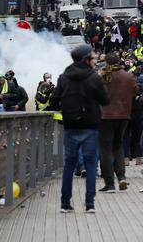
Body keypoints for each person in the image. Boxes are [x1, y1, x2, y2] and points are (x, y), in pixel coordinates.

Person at [50, 44, 109, 213]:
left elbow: (53, 101)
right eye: (92, 58)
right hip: (90, 126)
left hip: (70, 126)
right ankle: (89, 204)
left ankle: (65, 203)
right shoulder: (94, 78)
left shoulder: (63, 77)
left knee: (69, 165)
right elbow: (105, 100)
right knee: (90, 165)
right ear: (86, 60)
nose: (94, 60)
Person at [98, 53, 137, 193]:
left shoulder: (102, 76)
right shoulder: (128, 76)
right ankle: (121, 177)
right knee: (118, 145)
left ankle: (109, 183)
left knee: (105, 149)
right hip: (123, 115)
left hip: (105, 116)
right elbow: (134, 91)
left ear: (107, 62)